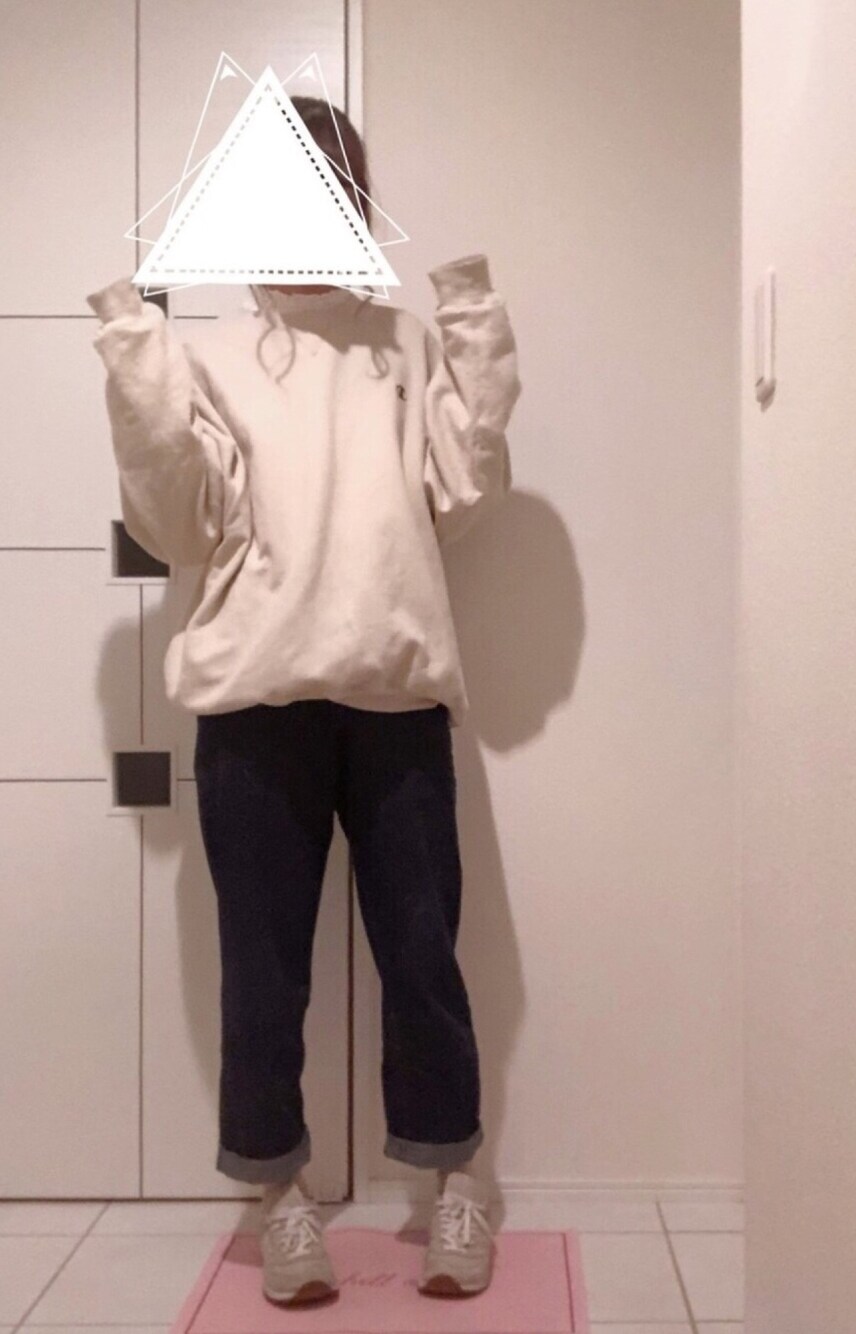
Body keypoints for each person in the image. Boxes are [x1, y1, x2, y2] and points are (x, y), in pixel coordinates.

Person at [85, 96, 521, 1307]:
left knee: (422, 957)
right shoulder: (214, 355)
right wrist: (137, 362)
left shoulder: (401, 344)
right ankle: (278, 1197)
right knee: (262, 971)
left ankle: (454, 1181)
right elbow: (177, 524)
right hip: (253, 703)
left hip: (394, 698)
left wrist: (470, 314)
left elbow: (463, 489)